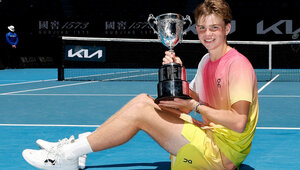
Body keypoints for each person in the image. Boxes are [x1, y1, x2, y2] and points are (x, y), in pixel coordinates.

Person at [22, 0, 259, 169]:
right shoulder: (207, 60)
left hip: (222, 155)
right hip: (211, 136)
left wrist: (194, 107)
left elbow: (238, 122)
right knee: (143, 100)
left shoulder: (237, 64)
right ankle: (80, 146)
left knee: (140, 111)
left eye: (214, 28)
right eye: (202, 28)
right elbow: (192, 100)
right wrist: (178, 71)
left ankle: (66, 156)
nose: (207, 34)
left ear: (227, 28)